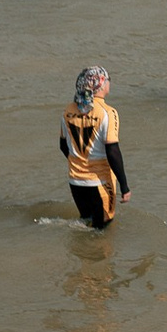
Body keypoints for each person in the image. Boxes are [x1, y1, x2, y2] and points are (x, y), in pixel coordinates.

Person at [60, 67, 131, 229]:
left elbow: (63, 146)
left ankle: (80, 254)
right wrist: (124, 186)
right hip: (99, 182)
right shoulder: (108, 112)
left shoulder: (68, 110)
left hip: (75, 181)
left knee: (85, 223)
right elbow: (113, 151)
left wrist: (80, 164)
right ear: (101, 85)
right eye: (108, 80)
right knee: (102, 230)